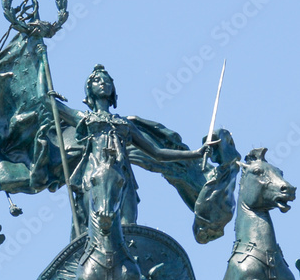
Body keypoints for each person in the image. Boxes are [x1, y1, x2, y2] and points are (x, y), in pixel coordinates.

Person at [62, 64, 213, 236]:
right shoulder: (84, 118)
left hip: (123, 179)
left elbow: (157, 153)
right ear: (89, 90)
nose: (103, 83)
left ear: (113, 90)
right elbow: (47, 101)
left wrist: (195, 153)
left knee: (129, 229)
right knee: (93, 230)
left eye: (107, 81)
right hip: (93, 177)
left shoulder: (125, 125)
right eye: (97, 81)